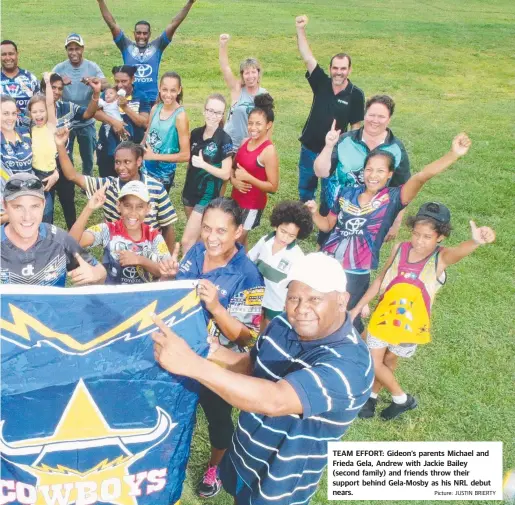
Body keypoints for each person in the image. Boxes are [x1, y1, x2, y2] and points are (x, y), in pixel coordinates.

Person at [152, 252, 373, 505]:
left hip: (281, 483)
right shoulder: (281, 325)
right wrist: (209, 350)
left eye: (315, 299)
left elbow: (275, 400)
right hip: (243, 455)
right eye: (294, 298)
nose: (301, 309)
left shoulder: (350, 366)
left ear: (342, 300)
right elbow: (248, 367)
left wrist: (193, 365)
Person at [306, 133, 472, 334]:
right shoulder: (347, 192)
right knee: (318, 307)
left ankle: (350, 350)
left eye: (380, 171)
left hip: (355, 272)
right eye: (369, 169)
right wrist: (314, 213)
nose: (373, 175)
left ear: (389, 174)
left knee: (344, 318)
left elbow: (421, 177)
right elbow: (328, 225)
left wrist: (453, 154)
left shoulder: (393, 198)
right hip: (328, 262)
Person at [159, 197, 265, 499]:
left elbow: (246, 338)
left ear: (238, 232)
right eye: (207, 229)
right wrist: (168, 277)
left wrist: (217, 307)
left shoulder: (247, 275)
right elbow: (178, 295)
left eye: (221, 231)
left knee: (218, 419)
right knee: (176, 408)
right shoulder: (196, 252)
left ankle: (215, 468)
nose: (212, 237)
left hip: (216, 361)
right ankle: (168, 455)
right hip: (182, 351)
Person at [351, 203, 496, 420]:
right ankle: (402, 399)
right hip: (383, 318)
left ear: (440, 237)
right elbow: (382, 277)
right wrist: (358, 306)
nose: (419, 241)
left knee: (389, 360)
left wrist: (475, 241)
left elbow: (458, 253)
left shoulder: (441, 258)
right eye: (416, 234)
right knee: (373, 360)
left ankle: (372, 396)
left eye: (427, 236)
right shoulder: (399, 248)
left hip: (411, 325)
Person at [295, 15, 365, 240]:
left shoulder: (355, 95)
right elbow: (307, 56)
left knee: (328, 196)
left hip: (333, 155)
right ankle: (301, 226)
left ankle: (323, 232)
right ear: (330, 68)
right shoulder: (322, 83)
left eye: (343, 68)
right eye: (335, 68)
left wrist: (347, 149)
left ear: (349, 70)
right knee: (305, 190)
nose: (338, 72)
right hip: (309, 148)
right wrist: (300, 29)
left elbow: (356, 127)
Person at [56, 128, 178, 251]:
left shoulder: (156, 188)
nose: (121, 167)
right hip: (116, 253)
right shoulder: (106, 186)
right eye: (117, 162)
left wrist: (167, 259)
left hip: (149, 252)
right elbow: (72, 176)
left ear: (139, 161)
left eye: (127, 162)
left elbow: (167, 227)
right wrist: (60, 146)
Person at [315, 95, 411, 242]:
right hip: (335, 213)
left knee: (357, 261)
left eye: (381, 116)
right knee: (324, 253)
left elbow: (402, 189)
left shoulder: (396, 149)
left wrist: (395, 223)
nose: (375, 120)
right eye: (371, 115)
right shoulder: (345, 140)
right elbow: (320, 172)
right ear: (364, 115)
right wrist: (328, 146)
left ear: (389, 119)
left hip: (370, 220)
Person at [0, 172, 106, 286]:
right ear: (4, 206)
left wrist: (95, 275)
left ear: (44, 205)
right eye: (18, 207)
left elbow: (100, 271)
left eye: (34, 206)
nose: (27, 217)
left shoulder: (58, 240)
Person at [96, 0, 197, 104]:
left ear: (149, 34)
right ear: (134, 33)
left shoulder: (157, 46)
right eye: (138, 33)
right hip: (131, 98)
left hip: (152, 99)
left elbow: (174, 24)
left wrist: (190, 3)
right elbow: (112, 24)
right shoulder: (125, 45)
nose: (142, 36)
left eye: (145, 33)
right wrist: (101, 2)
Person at [70, 181, 171, 285]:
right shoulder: (108, 230)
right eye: (127, 205)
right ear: (118, 206)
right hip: (110, 295)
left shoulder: (154, 236)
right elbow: (71, 242)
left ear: (148, 208)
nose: (133, 212)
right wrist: (89, 208)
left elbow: (165, 272)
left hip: (140, 297)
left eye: (140, 206)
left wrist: (140, 260)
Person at [39, 72, 102, 229]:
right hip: (43, 169)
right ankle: (46, 241)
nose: (57, 92)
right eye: (53, 88)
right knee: (46, 208)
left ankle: (74, 240)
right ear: (43, 88)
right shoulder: (35, 112)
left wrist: (96, 94)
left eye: (60, 88)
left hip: (64, 166)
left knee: (69, 204)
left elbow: (88, 114)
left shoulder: (68, 107)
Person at [181, 93, 234, 254]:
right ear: (204, 111)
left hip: (207, 196)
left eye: (218, 112)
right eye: (210, 110)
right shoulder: (196, 133)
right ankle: (203, 268)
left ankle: (186, 274)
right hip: (190, 191)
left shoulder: (224, 140)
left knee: (186, 241)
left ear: (222, 115)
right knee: (199, 238)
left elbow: (226, 174)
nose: (212, 115)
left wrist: (204, 165)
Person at [248, 200, 313, 330]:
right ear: (276, 226)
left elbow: (300, 282)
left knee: (270, 326)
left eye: (291, 236)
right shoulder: (265, 241)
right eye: (283, 231)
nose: (285, 238)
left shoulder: (297, 255)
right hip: (258, 294)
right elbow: (249, 259)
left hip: (277, 301)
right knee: (256, 322)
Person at [52, 33, 108, 177]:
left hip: (87, 119)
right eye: (70, 49)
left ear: (83, 49)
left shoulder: (91, 66)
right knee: (65, 152)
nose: (74, 52)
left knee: (88, 155)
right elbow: (46, 85)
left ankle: (87, 180)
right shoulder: (60, 68)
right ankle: (67, 179)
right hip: (66, 121)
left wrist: (95, 80)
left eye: (77, 48)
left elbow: (107, 84)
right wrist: (59, 82)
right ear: (66, 50)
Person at [230, 94, 279, 249]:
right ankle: (246, 268)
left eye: (258, 124)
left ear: (268, 125)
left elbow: (273, 187)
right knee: (240, 243)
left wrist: (248, 178)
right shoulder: (245, 142)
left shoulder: (268, 151)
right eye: (250, 123)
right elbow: (232, 168)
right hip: (235, 199)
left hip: (252, 205)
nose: (253, 128)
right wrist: (234, 180)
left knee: (235, 242)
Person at [96, 65, 150, 177]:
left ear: (133, 79)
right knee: (107, 180)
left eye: (124, 81)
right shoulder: (109, 94)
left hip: (133, 148)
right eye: (117, 81)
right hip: (108, 146)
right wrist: (113, 122)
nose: (120, 85)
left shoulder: (140, 96)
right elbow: (95, 112)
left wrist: (125, 107)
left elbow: (144, 122)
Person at [142, 72, 190, 193]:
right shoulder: (155, 108)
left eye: (173, 90)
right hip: (145, 168)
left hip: (163, 175)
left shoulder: (180, 117)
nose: (168, 95)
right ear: (159, 88)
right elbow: (147, 135)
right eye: (165, 89)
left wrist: (154, 156)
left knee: (155, 209)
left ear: (179, 90)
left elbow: (185, 155)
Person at [219, 34, 268, 150]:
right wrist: (222, 45)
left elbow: (268, 123)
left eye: (253, 72)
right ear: (242, 75)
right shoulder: (237, 89)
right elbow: (225, 67)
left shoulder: (264, 94)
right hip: (230, 144)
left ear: (258, 73)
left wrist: (263, 146)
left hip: (251, 146)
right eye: (246, 72)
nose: (250, 76)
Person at [27, 74, 59, 224]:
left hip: (50, 175)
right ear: (30, 114)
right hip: (35, 173)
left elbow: (51, 103)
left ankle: (47, 237)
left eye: (42, 110)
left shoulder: (51, 126)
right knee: (36, 210)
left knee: (47, 211)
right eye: (34, 112)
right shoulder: (30, 130)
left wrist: (47, 82)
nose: (38, 114)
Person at [1, 40, 40, 129]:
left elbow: (40, 106)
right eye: (4, 54)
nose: (7, 58)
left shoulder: (30, 79)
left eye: (11, 54)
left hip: (28, 135)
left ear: (17, 54)